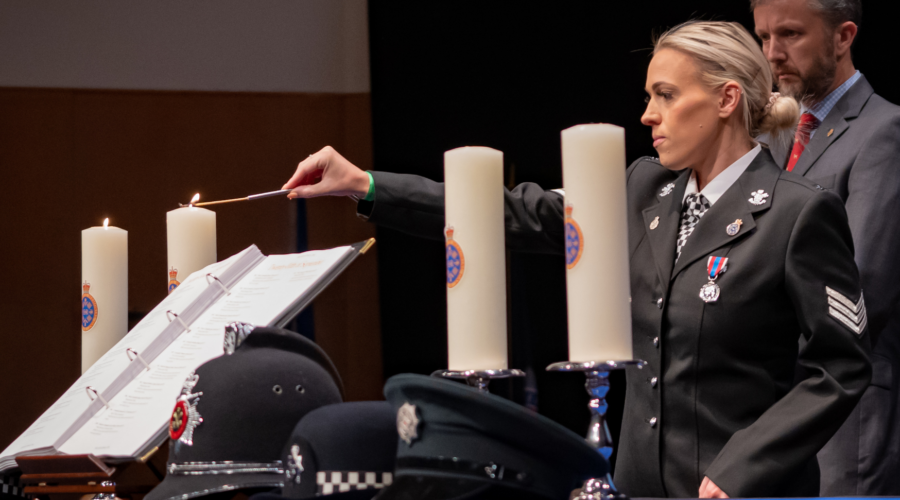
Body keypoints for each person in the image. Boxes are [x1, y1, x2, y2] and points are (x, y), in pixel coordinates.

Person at [282, 21, 871, 498]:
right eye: (648, 96)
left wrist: (745, 466)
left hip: (743, 491)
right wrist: (367, 185)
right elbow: (511, 213)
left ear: (725, 99)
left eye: (665, 95)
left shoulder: (797, 214)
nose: (648, 114)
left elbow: (839, 369)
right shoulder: (646, 189)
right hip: (637, 488)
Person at [752, 0, 900, 495]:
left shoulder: (884, 132)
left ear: (843, 37)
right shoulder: (769, 138)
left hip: (841, 411)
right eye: (764, 36)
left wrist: (746, 342)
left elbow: (862, 291)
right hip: (766, 412)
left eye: (790, 34)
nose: (773, 53)